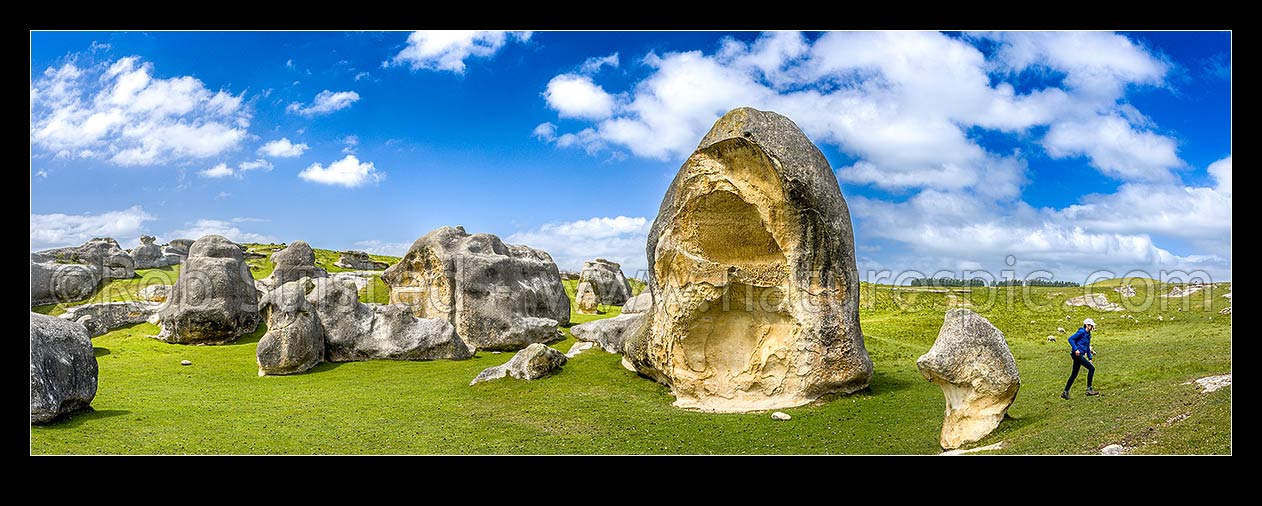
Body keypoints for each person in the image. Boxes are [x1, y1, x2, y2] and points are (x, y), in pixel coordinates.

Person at [1062, 318, 1099, 399]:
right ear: (1087, 325)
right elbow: (1070, 339)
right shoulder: (1081, 332)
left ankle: (1065, 392)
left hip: (1080, 355)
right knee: (1091, 369)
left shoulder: (1089, 334)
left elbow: (1087, 346)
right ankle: (1089, 389)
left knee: (1074, 374)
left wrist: (1090, 358)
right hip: (1077, 355)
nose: (1093, 327)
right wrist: (1076, 349)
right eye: (1091, 325)